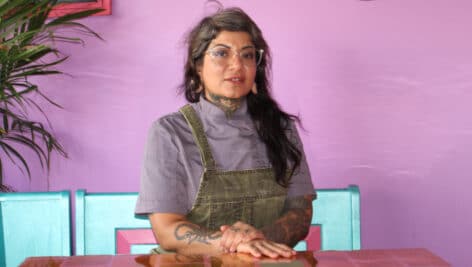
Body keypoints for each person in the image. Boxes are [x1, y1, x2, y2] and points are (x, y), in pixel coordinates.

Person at [135, 6, 315, 258]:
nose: (237, 65)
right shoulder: (169, 132)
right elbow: (166, 229)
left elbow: (300, 215)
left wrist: (257, 239)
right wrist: (231, 242)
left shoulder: (282, 129)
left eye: (248, 55)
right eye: (221, 53)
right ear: (197, 66)